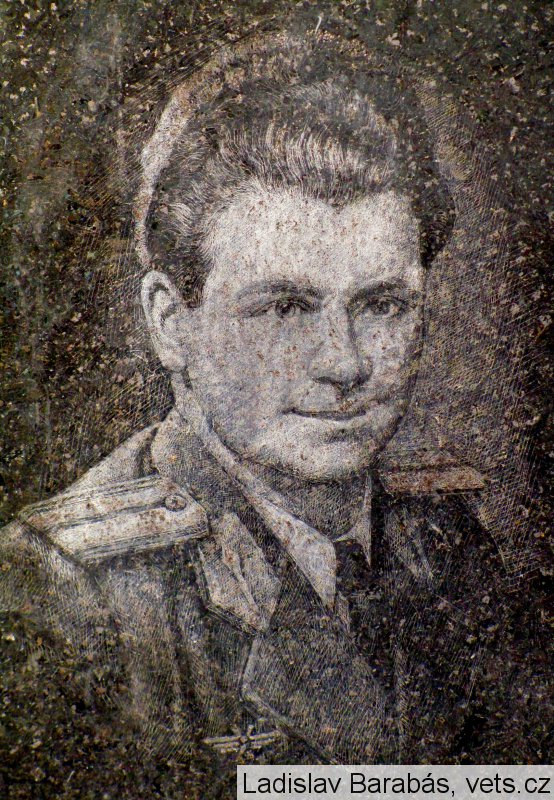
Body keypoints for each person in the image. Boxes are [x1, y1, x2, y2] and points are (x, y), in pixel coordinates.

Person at [0, 31, 548, 787]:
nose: (344, 364)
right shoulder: (59, 599)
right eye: (286, 308)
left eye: (383, 305)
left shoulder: (450, 547)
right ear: (170, 322)